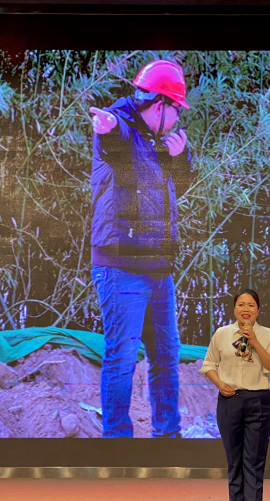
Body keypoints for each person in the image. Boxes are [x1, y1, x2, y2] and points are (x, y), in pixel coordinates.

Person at [88, 59, 192, 438]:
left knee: (166, 356)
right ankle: (117, 443)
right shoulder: (120, 125)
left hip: (159, 266)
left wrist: (180, 158)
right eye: (177, 109)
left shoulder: (161, 139)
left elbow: (180, 181)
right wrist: (108, 129)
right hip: (121, 266)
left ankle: (168, 436)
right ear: (160, 104)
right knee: (121, 357)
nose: (179, 118)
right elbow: (114, 143)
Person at [201, 289, 270, 501]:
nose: (245, 309)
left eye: (251, 305)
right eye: (240, 305)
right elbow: (208, 365)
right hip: (229, 401)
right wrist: (219, 383)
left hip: (258, 401)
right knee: (234, 461)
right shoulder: (222, 334)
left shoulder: (267, 335)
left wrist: (255, 341)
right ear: (234, 309)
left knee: (254, 462)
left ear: (258, 310)